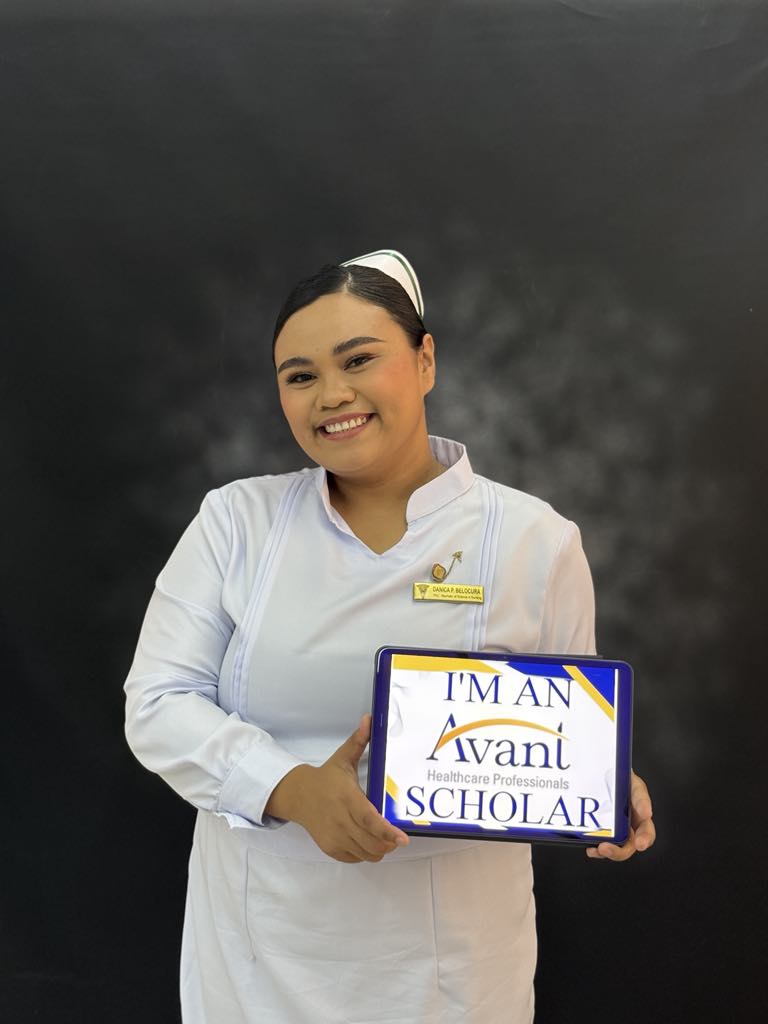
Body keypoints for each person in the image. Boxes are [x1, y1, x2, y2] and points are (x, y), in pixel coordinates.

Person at [124, 248, 655, 1024]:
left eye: (359, 359)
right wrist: (292, 788)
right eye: (299, 375)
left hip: (452, 971)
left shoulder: (535, 542)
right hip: (258, 952)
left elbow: (562, 733)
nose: (331, 395)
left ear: (425, 359)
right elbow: (158, 703)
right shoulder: (236, 523)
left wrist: (608, 785)